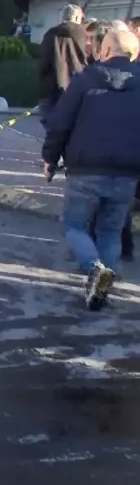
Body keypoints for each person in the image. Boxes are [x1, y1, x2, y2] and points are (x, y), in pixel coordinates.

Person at [42, 26, 140, 310]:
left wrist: (50, 158)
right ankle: (100, 289)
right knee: (110, 231)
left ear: (105, 50)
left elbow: (61, 123)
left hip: (85, 168)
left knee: (74, 225)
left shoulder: (85, 80)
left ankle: (93, 267)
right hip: (127, 173)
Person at [37, 4, 88, 127]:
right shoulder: (84, 34)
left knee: (52, 126)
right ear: (77, 17)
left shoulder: (51, 34)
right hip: (78, 83)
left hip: (53, 84)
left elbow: (44, 60)